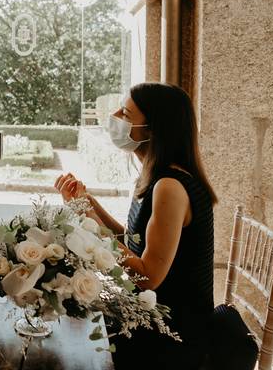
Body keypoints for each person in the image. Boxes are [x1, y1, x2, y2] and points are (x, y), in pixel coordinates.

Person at [55, 82, 215, 370]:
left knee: (67, 343)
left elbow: (146, 277)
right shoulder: (154, 176)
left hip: (172, 335)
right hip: (147, 315)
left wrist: (89, 224)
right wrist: (86, 204)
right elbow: (133, 243)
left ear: (152, 130)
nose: (115, 116)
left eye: (126, 114)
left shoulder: (170, 187)